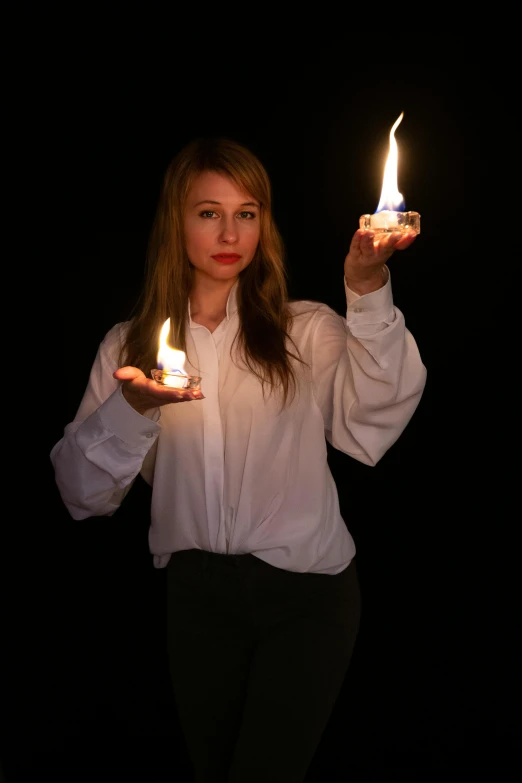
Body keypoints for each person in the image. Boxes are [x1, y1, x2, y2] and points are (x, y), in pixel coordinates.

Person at [50, 137, 427, 782]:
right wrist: (134, 409)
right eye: (208, 212)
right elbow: (81, 494)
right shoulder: (130, 345)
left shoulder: (303, 329)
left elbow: (372, 419)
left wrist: (366, 291)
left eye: (247, 213)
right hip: (198, 602)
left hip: (308, 597)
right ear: (176, 221)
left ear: (264, 224)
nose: (230, 232)